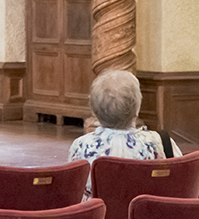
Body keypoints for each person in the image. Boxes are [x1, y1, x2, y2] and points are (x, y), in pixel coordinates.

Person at [69, 69, 182, 199]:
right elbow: (181, 185)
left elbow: (75, 193)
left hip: (100, 217)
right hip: (147, 217)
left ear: (94, 110)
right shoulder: (161, 143)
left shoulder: (81, 145)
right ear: (137, 109)